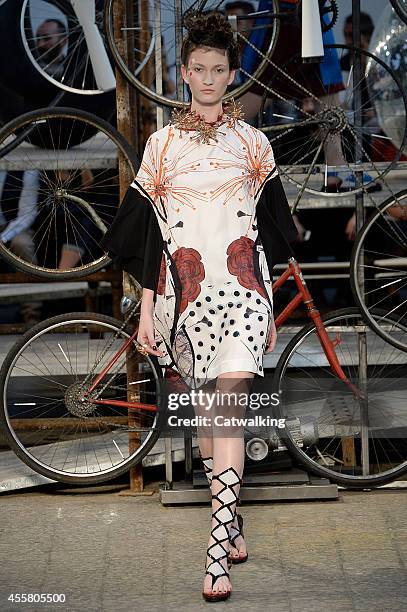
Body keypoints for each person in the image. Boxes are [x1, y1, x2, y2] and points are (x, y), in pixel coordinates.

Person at [101, 11, 297, 602]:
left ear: (231, 74)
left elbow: (274, 230)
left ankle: (216, 554)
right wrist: (145, 311)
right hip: (186, 296)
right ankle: (230, 515)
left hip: (242, 291)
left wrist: (276, 294)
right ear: (184, 74)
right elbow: (148, 238)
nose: (209, 79)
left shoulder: (253, 144)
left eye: (219, 70)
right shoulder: (162, 146)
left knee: (229, 404)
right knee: (211, 418)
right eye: (199, 70)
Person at [0, 170, 42, 324]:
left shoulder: (26, 168)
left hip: (16, 224)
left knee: (22, 244)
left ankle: (31, 313)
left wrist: (4, 237)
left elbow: (27, 214)